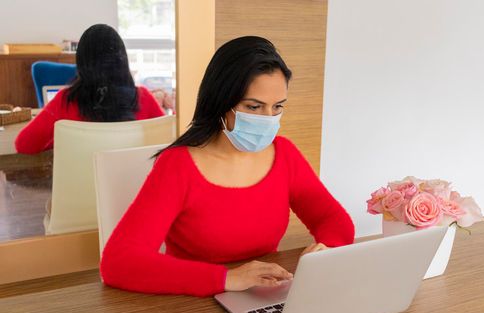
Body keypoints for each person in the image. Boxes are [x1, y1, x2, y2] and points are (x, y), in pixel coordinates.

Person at [100, 36, 355, 297]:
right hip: (192, 305)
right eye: (253, 106)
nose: (268, 119)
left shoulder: (284, 154)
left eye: (277, 107)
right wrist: (227, 278)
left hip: (262, 296)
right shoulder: (178, 165)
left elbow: (333, 219)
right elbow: (118, 262)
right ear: (221, 102)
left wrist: (328, 248)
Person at [15, 24, 165, 154]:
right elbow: (169, 139)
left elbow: (24, 145)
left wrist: (60, 142)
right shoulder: (143, 97)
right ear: (122, 59)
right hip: (132, 186)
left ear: (82, 62)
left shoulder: (65, 101)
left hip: (76, 186)